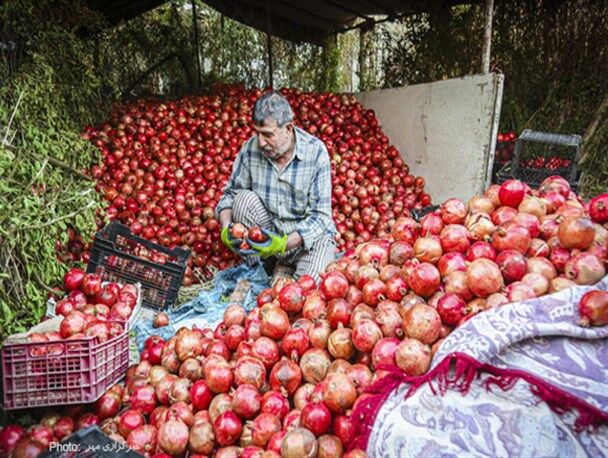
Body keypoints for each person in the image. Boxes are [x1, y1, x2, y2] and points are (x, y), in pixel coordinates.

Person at [215, 91, 336, 283]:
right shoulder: (250, 150)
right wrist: (226, 228)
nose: (261, 142)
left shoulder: (316, 153)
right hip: (271, 237)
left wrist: (282, 244)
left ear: (288, 128)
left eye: (268, 135)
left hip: (309, 243)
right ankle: (267, 269)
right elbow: (229, 195)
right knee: (242, 199)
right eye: (257, 133)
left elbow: (321, 218)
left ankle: (283, 270)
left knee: (308, 289)